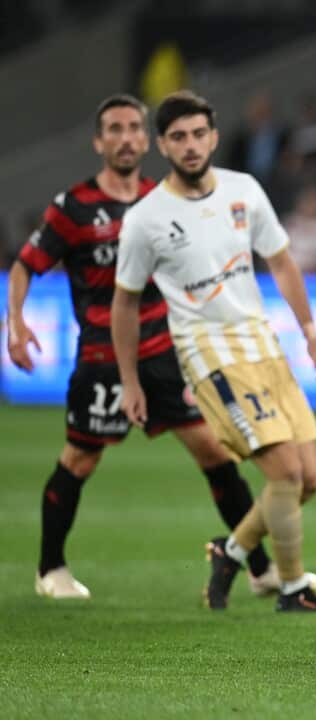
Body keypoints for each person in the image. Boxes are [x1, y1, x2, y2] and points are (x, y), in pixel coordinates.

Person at [6, 94, 291, 601]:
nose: (124, 138)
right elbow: (27, 263)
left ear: (146, 140)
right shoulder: (73, 207)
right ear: (99, 141)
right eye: (113, 129)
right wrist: (16, 322)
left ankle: (261, 568)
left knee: (214, 453)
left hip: (166, 353)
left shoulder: (163, 203)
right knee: (79, 460)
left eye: (133, 128)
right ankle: (50, 569)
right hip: (102, 358)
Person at [111, 90, 316, 612]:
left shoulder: (244, 190)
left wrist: (309, 330)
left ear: (213, 137)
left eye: (198, 134)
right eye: (177, 138)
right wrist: (130, 379)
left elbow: (280, 262)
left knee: (311, 478)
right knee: (285, 473)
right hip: (209, 354)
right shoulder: (145, 219)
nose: (190, 146)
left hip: (262, 342)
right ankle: (293, 585)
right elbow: (125, 303)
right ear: (161, 146)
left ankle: (231, 551)